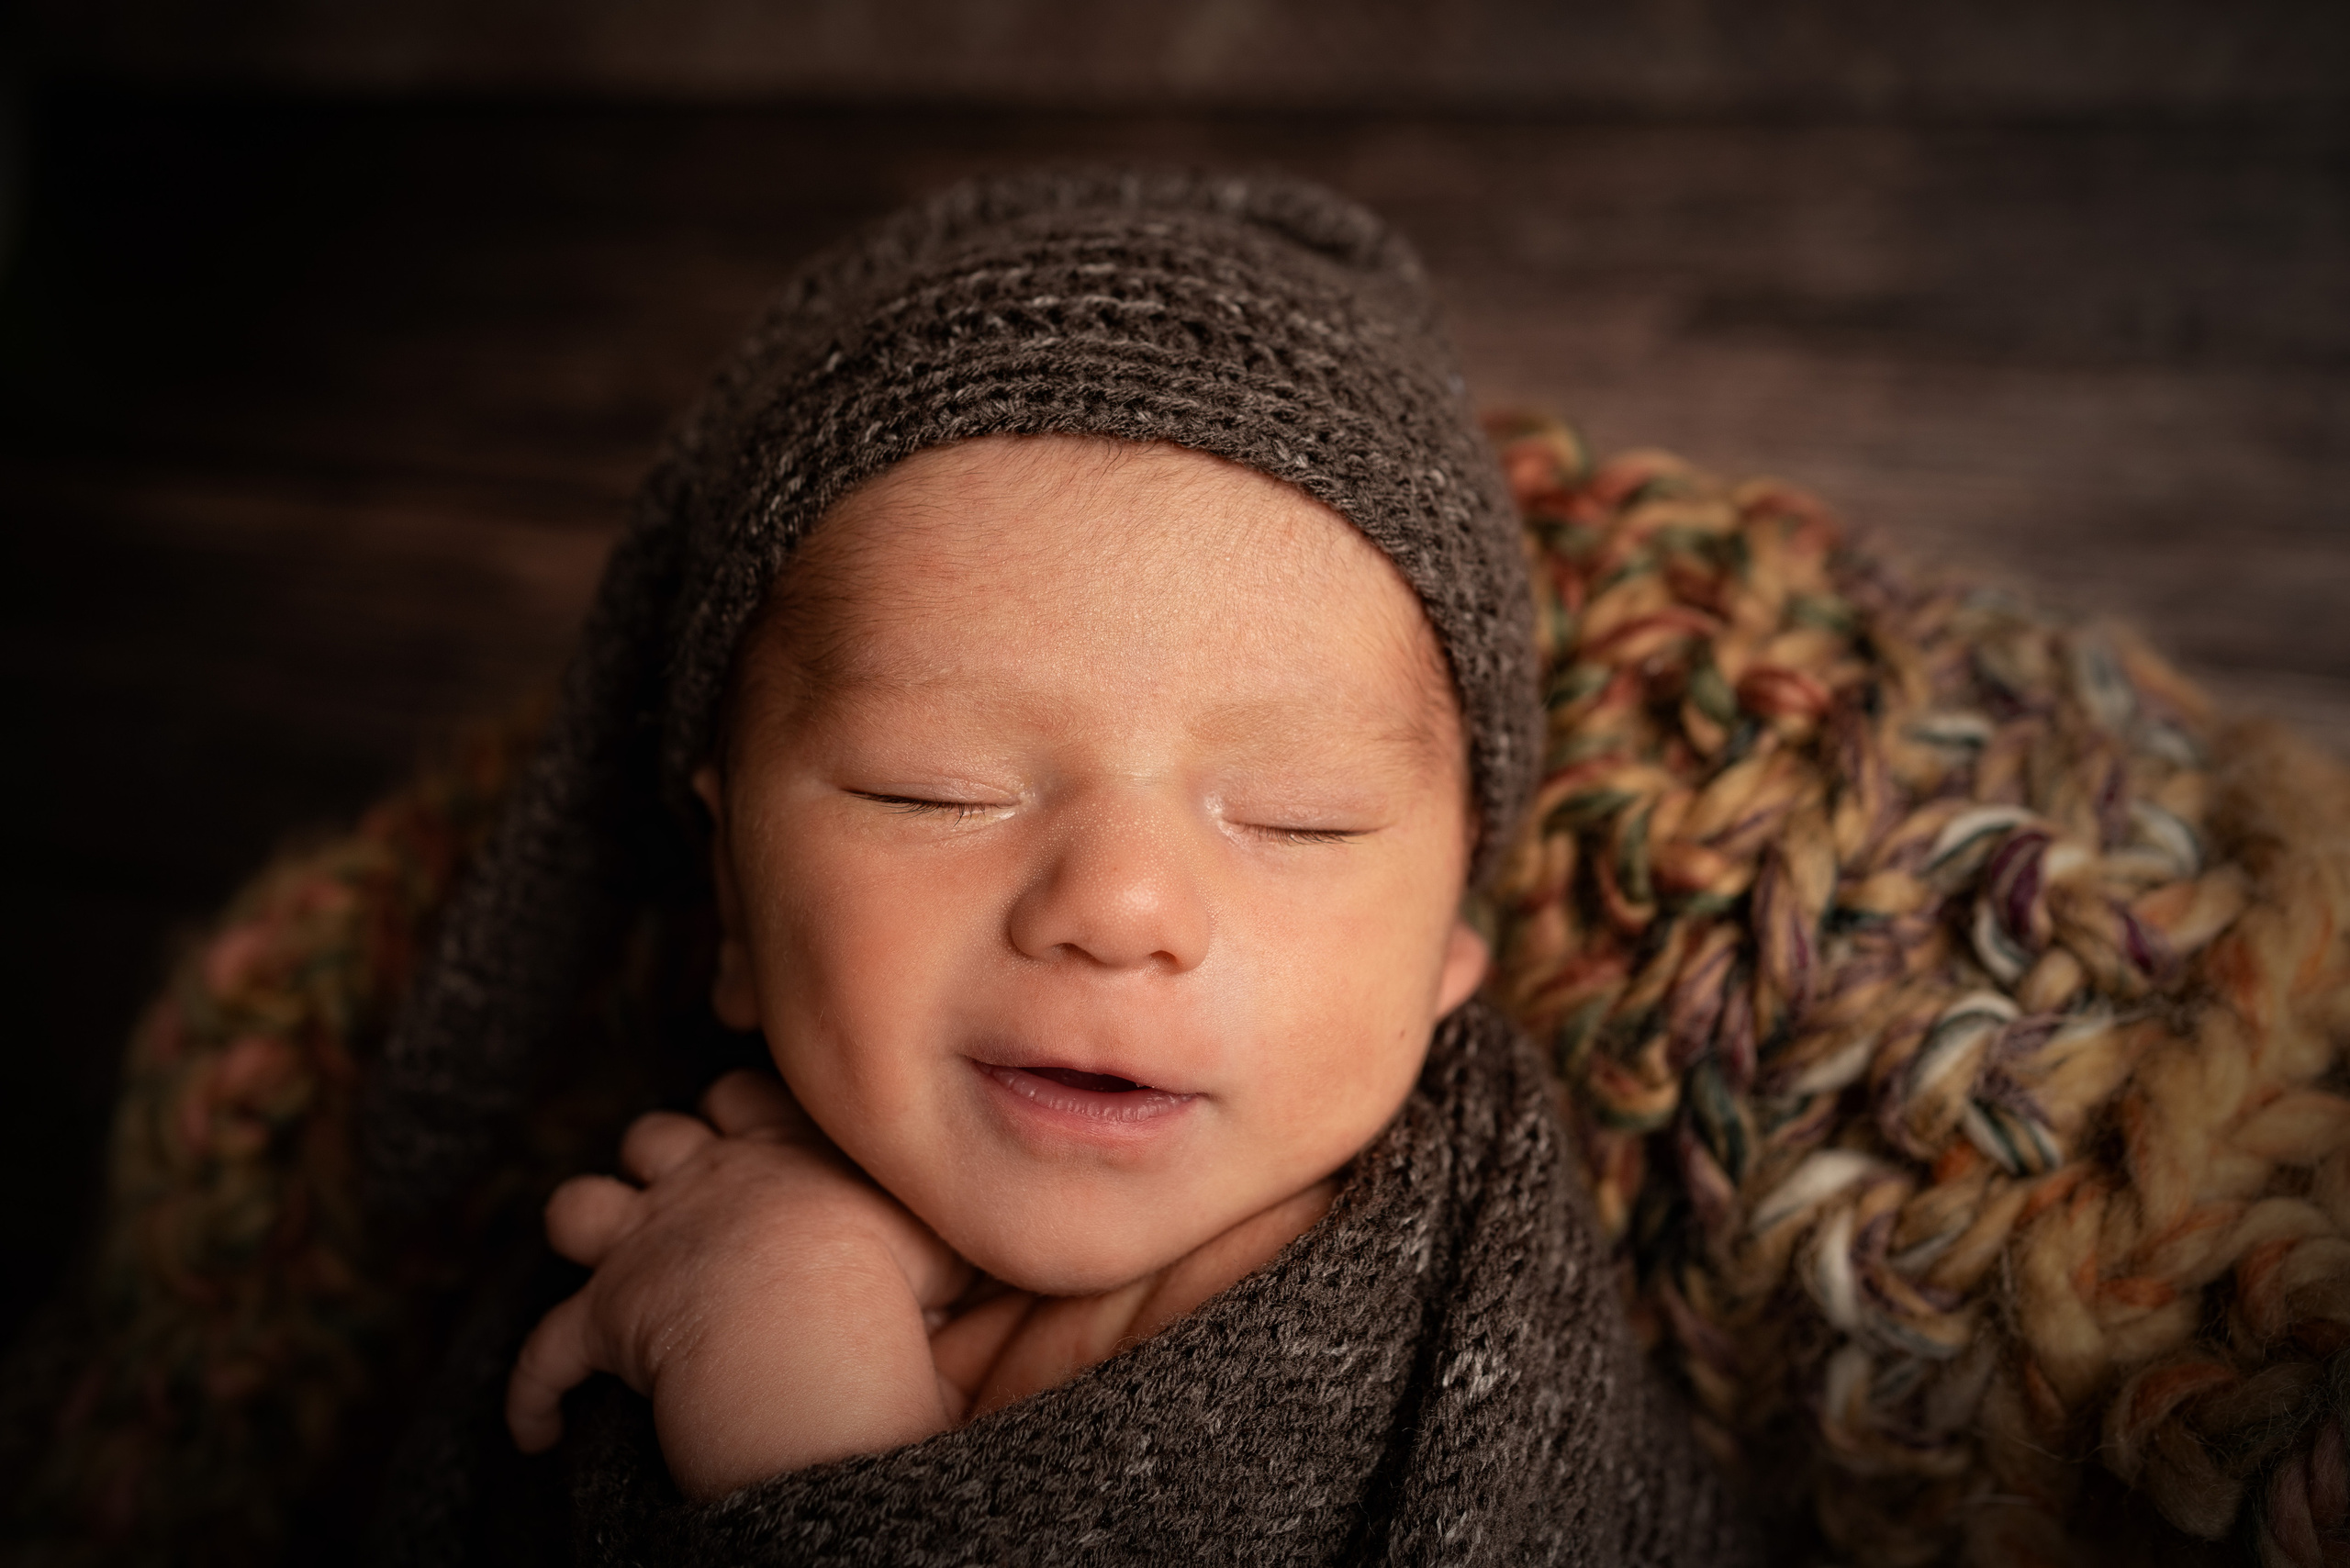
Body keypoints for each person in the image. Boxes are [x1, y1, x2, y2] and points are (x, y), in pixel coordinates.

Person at [361, 167, 1759, 1563]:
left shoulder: (1468, 1313)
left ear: (1452, 947)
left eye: (1297, 816)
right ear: (730, 895)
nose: (1120, 907)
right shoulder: (642, 1227)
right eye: (938, 789)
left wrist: (779, 1385)